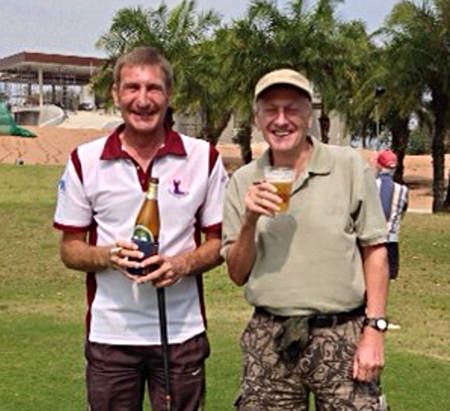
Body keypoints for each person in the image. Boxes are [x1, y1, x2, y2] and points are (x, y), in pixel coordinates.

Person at [53, 46, 228, 411]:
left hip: (181, 335)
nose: (143, 100)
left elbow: (218, 243)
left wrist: (182, 265)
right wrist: (108, 256)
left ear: (170, 94)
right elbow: (70, 248)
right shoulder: (85, 160)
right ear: (116, 93)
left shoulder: (203, 157)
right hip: (110, 335)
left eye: (154, 88)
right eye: (132, 88)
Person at [221, 68, 390, 410]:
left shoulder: (348, 167)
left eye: (292, 109)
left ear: (309, 114)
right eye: (271, 110)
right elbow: (237, 274)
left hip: (342, 333)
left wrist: (374, 331)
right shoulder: (243, 181)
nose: (281, 120)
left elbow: (375, 251)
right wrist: (250, 221)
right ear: (257, 118)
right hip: (270, 336)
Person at [375, 150, 409, 280]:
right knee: (391, 275)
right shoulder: (403, 190)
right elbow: (403, 211)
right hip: (392, 238)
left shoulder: (370, 185)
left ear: (379, 165)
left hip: (373, 239)